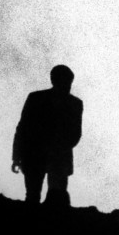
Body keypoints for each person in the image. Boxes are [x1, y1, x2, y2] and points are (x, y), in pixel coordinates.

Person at [12, 65, 83, 206]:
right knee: (37, 198)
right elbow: (23, 128)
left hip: (50, 157)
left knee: (51, 200)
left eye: (69, 82)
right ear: (54, 80)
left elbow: (75, 134)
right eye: (66, 81)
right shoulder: (72, 103)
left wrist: (17, 155)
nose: (68, 86)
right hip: (40, 156)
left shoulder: (38, 98)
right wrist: (17, 155)